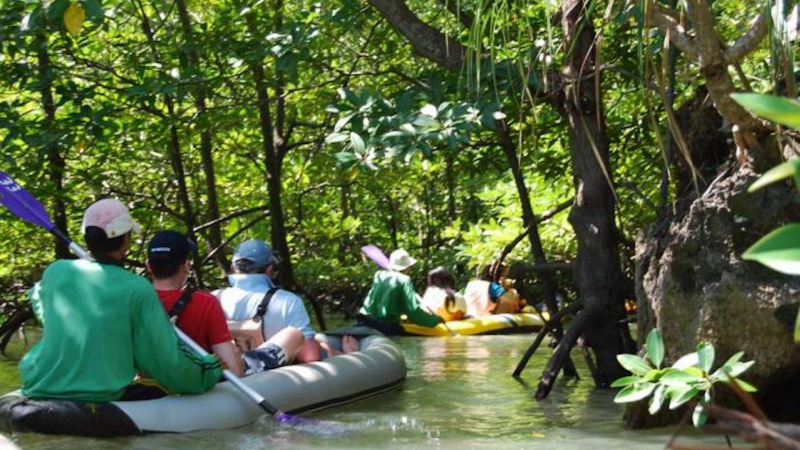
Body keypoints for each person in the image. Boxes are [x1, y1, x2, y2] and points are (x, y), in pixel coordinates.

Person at [19, 199, 221, 402]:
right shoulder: (137, 288)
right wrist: (208, 369)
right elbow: (163, 359)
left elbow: (42, 306)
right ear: (126, 239)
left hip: (38, 385)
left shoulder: (56, 271)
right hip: (99, 394)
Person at [145, 230, 245, 377]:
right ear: (186, 266)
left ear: (148, 266)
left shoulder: (134, 301)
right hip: (195, 388)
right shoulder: (205, 302)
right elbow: (233, 370)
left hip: (148, 388)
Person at [214, 239, 325, 364]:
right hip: (276, 379)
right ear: (269, 269)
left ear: (233, 268)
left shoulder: (213, 299)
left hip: (229, 375)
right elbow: (309, 355)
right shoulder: (288, 301)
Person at [358, 249, 443, 335]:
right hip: (383, 326)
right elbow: (413, 311)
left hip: (363, 319)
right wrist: (435, 320)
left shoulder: (379, 275)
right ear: (407, 267)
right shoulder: (404, 280)